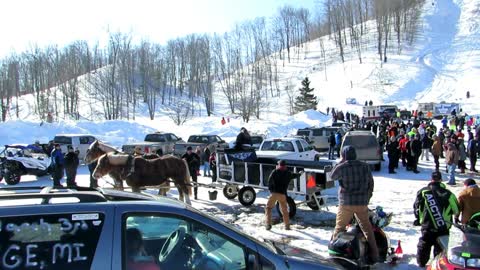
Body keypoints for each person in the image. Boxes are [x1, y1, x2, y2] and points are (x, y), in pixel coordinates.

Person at [329, 146, 378, 263]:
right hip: (361, 203)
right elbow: (371, 183)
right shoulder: (365, 166)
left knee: (339, 228)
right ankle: (375, 255)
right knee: (367, 229)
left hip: (346, 203)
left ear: (344, 155)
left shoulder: (342, 167)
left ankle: (333, 253)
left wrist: (340, 162)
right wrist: (367, 197)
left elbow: (332, 176)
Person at [413, 171, 459, 267]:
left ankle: (421, 263)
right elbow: (456, 209)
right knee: (440, 250)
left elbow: (416, 207)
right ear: (441, 180)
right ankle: (438, 266)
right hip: (443, 226)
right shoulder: (448, 194)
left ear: (431, 179)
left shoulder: (423, 191)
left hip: (427, 225)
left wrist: (418, 219)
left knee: (424, 245)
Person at [265, 160, 300, 231]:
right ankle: (287, 226)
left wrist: (271, 190)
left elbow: (269, 181)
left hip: (274, 193)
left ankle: (268, 224)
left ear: (278, 165)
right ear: (285, 166)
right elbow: (294, 175)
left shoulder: (274, 172)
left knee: (268, 208)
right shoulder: (288, 173)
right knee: (284, 210)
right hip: (282, 194)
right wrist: (299, 174)